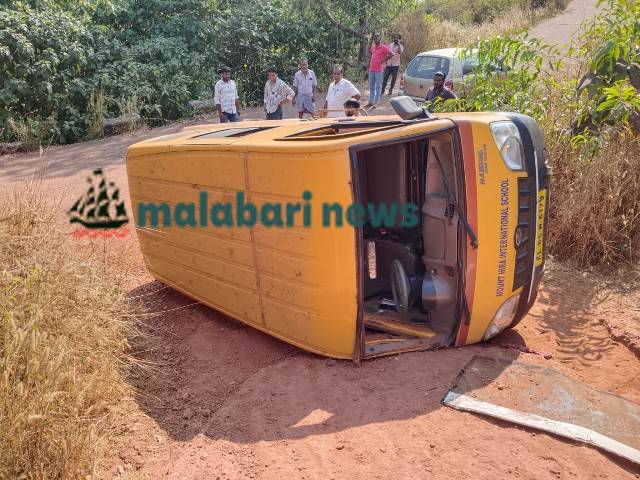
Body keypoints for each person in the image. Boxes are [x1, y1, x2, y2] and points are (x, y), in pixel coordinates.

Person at [365, 33, 393, 108]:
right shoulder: (373, 47)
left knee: (378, 86)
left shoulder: (384, 47)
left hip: (379, 70)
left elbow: (391, 54)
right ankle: (370, 101)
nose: (376, 39)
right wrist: (370, 41)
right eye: (375, 38)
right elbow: (370, 51)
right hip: (371, 69)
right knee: (371, 86)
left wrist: (384, 60)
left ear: (380, 39)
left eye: (377, 38)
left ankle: (376, 102)